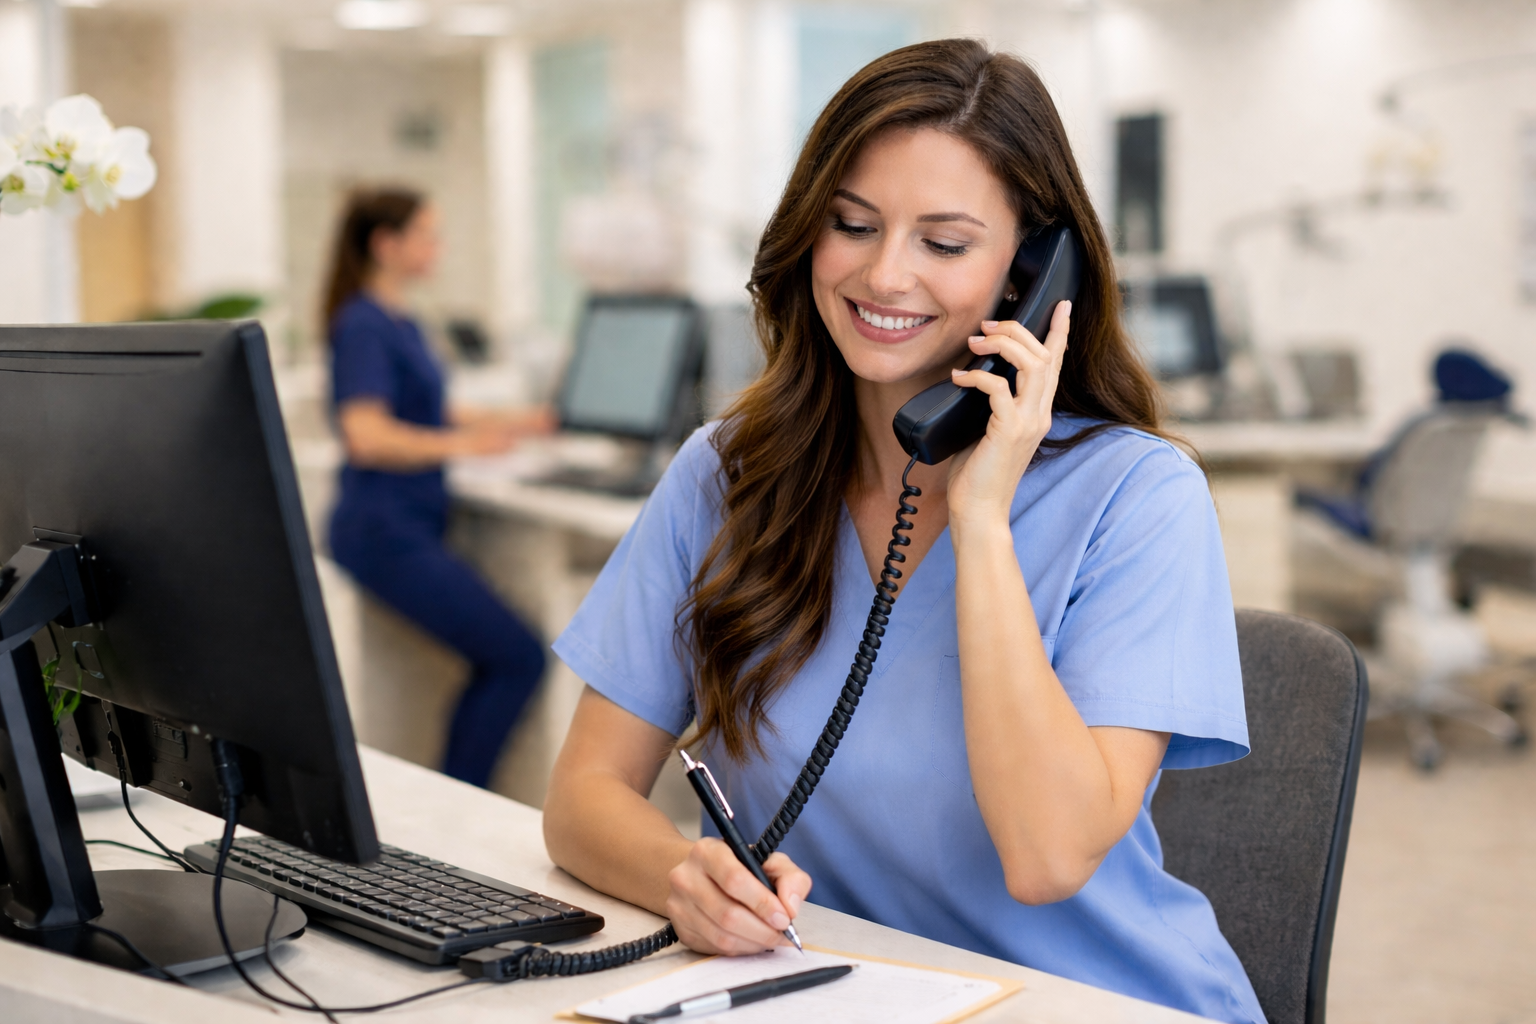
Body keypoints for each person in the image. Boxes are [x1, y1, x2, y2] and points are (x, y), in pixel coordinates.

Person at [543, 40, 1265, 1024]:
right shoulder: (729, 474)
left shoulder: (1137, 496)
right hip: (840, 995)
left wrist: (980, 519)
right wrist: (685, 874)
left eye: (945, 241)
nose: (884, 274)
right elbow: (583, 794)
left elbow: (1048, 856)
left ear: (1031, 275)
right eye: (853, 224)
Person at [322, 187, 548, 790]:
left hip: (407, 523)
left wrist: (519, 421)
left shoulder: (400, 317)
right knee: (517, 657)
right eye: (426, 233)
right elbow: (366, 434)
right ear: (386, 243)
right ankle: (460, 797)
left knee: (509, 656)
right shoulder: (363, 323)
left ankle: (458, 790)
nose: (436, 247)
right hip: (380, 530)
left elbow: (431, 407)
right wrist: (466, 447)